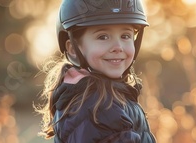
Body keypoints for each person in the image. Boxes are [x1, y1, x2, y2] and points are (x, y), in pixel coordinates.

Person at [36, 0, 156, 142]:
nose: (118, 47)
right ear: (73, 49)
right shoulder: (98, 108)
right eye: (103, 37)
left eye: (125, 36)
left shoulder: (102, 97)